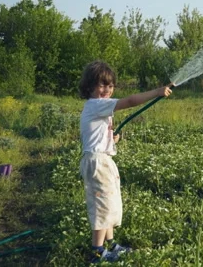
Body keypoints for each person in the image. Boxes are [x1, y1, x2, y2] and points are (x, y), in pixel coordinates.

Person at [78, 60, 172, 263]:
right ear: (89, 87)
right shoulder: (96, 104)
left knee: (109, 203)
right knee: (102, 207)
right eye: (101, 85)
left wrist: (112, 139)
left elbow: (96, 134)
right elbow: (129, 101)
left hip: (103, 160)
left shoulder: (98, 107)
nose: (106, 90)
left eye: (110, 85)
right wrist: (156, 91)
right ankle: (97, 251)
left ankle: (111, 245)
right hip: (97, 163)